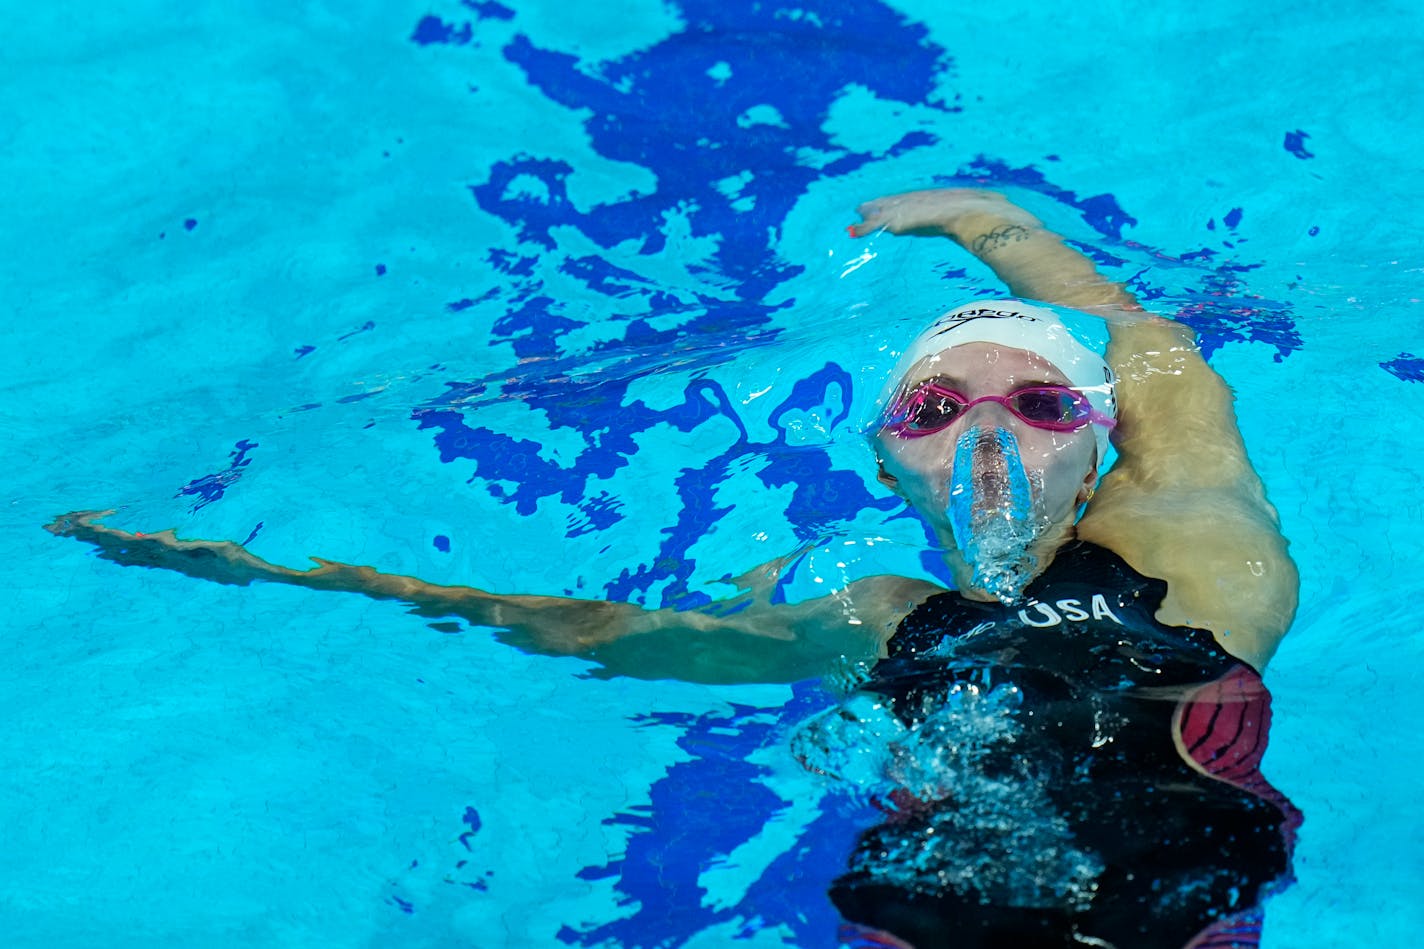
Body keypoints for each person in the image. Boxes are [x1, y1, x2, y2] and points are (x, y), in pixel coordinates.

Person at [48, 189, 1300, 948]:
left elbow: (1148, 339)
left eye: (1032, 401)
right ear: (883, 464)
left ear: (1097, 437)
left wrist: (986, 225)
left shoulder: (1191, 542)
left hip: (1179, 906)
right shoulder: (870, 615)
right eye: (931, 411)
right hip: (923, 911)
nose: (981, 437)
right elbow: (591, 633)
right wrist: (286, 576)